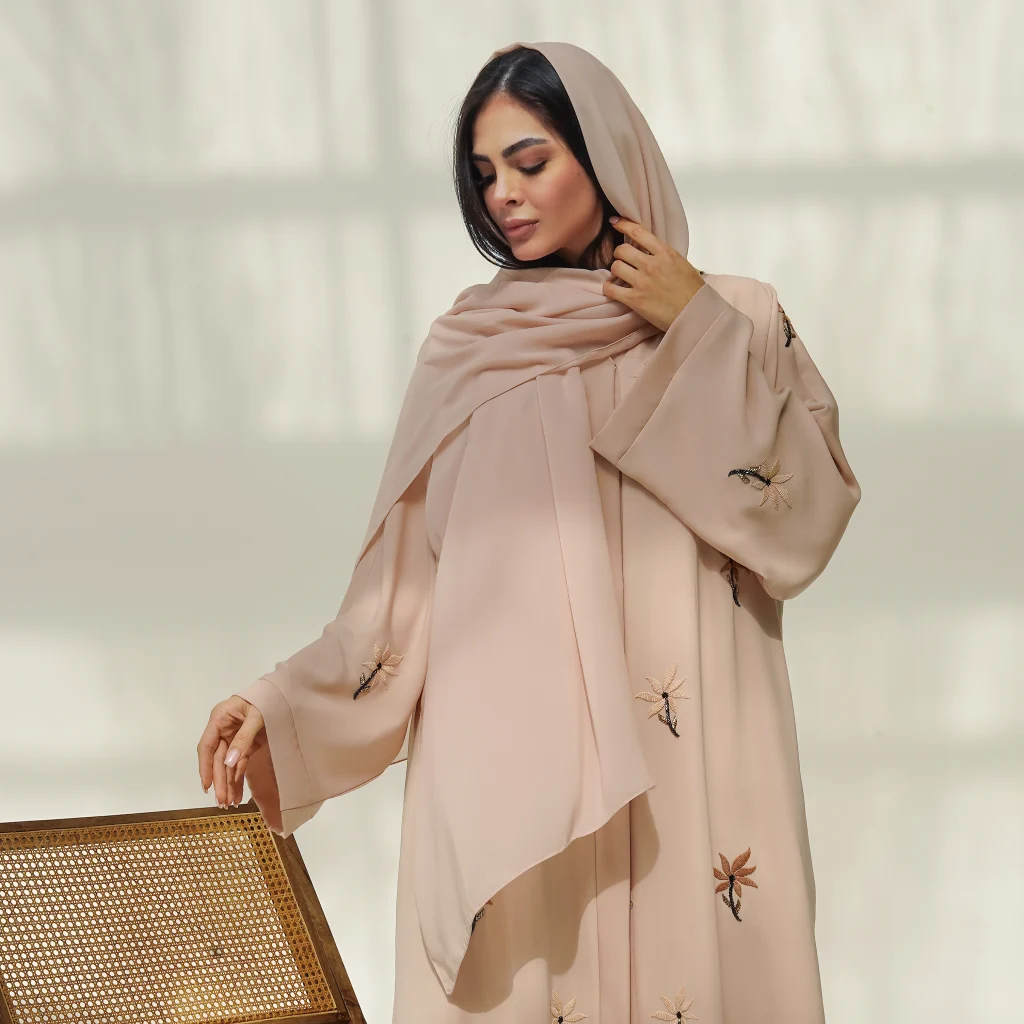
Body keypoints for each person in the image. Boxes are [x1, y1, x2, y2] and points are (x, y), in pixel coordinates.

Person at [197, 40, 861, 1024]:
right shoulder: (473, 351)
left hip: (697, 775)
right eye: (484, 174)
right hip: (514, 785)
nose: (503, 194)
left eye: (530, 160)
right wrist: (281, 700)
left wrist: (696, 329)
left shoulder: (741, 320)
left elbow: (806, 515)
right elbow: (401, 592)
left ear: (604, 154)